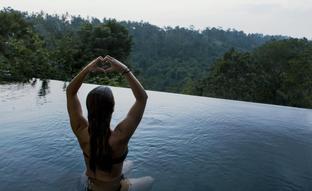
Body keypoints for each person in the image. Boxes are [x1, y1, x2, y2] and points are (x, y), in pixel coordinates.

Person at [66, 55, 154, 191]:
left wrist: (87, 69)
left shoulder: (81, 130)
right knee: (149, 180)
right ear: (112, 109)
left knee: (129, 163)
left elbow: (70, 92)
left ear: (88, 108)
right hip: (113, 189)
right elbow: (142, 98)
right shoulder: (120, 136)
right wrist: (124, 70)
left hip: (89, 185)